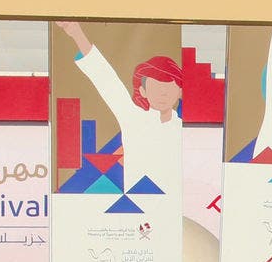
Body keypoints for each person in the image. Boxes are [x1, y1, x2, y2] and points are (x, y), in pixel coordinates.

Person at [54, 20, 186, 197]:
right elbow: (106, 79)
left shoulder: (184, 129)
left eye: (169, 85)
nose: (163, 92)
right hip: (137, 208)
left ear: (180, 91)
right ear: (143, 91)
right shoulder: (134, 119)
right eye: (156, 86)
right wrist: (77, 33)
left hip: (174, 210)